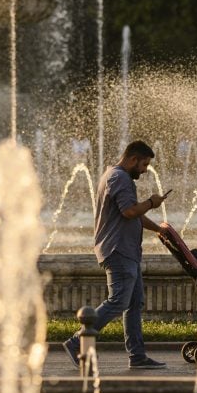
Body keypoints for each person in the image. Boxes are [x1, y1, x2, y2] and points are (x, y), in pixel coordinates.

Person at [63, 140, 169, 370]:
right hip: (118, 249)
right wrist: (152, 202)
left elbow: (134, 214)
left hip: (127, 251)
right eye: (144, 164)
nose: (145, 170)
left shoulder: (116, 176)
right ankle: (76, 342)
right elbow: (130, 211)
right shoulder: (119, 178)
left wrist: (159, 230)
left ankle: (137, 356)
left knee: (133, 304)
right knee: (118, 301)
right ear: (133, 159)